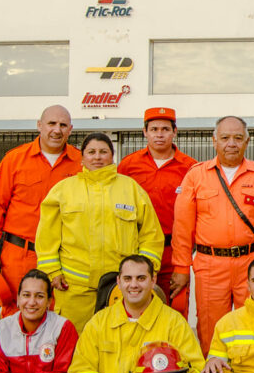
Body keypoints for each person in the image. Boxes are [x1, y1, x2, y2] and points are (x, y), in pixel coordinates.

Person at [57, 255, 203, 373]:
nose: (134, 285)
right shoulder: (99, 322)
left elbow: (198, 370)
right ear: (119, 281)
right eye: (128, 279)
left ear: (153, 280)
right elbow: (79, 368)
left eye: (141, 278)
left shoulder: (174, 322)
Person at [35, 133, 164, 331]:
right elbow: (47, 237)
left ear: (112, 156)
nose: (97, 157)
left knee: (122, 341)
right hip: (74, 289)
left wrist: (143, 272)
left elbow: (151, 235)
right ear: (82, 158)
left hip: (121, 288)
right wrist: (52, 271)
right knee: (75, 346)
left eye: (103, 152)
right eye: (91, 152)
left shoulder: (131, 189)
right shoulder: (63, 191)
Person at [172, 115, 254, 351]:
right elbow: (182, 227)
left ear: (247, 142)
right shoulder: (196, 176)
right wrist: (181, 267)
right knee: (211, 327)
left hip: (253, 263)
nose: (232, 143)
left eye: (238, 138)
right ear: (214, 141)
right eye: (225, 138)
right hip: (210, 265)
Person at [0, 106, 83, 317]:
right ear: (39, 125)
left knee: (61, 316)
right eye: (51, 124)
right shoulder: (15, 160)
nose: (57, 130)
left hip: (64, 257)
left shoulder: (82, 163)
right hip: (19, 254)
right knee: (15, 315)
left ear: (70, 129)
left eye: (63, 125)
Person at [116, 107, 198, 316]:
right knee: (136, 308)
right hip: (137, 250)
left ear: (174, 132)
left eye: (165, 129)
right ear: (145, 132)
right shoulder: (128, 166)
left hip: (174, 252)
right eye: (153, 129)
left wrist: (185, 258)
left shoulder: (190, 168)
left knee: (175, 311)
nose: (159, 134)